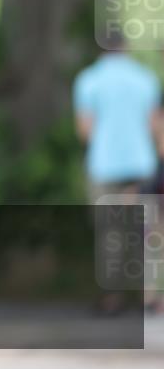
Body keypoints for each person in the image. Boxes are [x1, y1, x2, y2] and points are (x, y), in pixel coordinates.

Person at [73, 32, 162, 315]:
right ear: (126, 49)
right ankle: (151, 298)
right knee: (146, 229)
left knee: (110, 232)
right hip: (142, 164)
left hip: (104, 165)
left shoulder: (89, 80)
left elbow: (85, 131)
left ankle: (112, 298)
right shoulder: (145, 79)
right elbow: (156, 126)